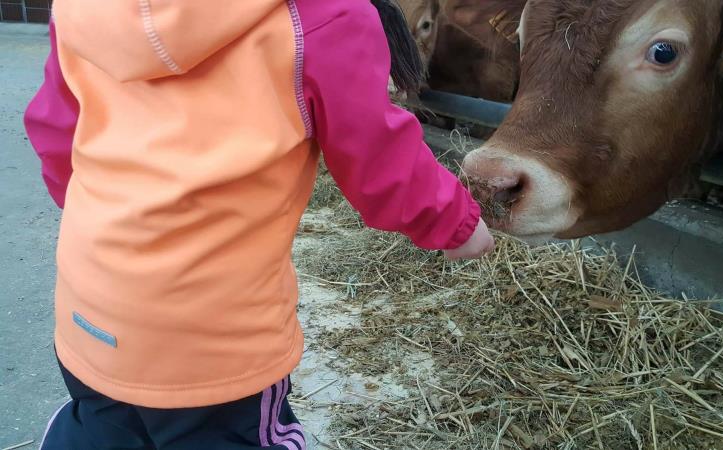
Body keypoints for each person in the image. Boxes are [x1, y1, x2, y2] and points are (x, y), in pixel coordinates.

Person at [24, 0, 495, 448]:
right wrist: (453, 220)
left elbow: (55, 130)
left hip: (90, 306)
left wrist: (114, 219)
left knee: (102, 430)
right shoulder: (321, 17)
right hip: (217, 339)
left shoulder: (82, 9)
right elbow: (377, 154)